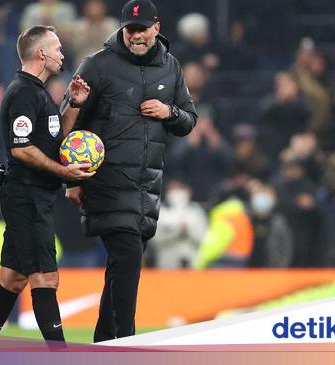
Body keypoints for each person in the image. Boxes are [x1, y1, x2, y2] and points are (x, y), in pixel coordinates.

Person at [62, 0, 197, 341]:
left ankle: (104, 343)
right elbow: (69, 122)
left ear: (157, 27)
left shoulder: (171, 67)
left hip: (146, 186)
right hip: (106, 183)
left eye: (142, 29)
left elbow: (189, 121)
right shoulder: (97, 66)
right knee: (126, 260)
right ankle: (127, 344)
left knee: (122, 268)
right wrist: (70, 179)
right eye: (130, 29)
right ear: (122, 29)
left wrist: (169, 112)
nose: (136, 36)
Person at [0, 25, 92, 348]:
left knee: (12, 280)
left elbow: (53, 138)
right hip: (26, 196)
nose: (62, 54)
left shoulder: (39, 92)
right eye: (56, 49)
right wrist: (63, 171)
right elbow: (21, 148)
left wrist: (74, 105)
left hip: (32, 195)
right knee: (46, 277)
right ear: (41, 54)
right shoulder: (23, 92)